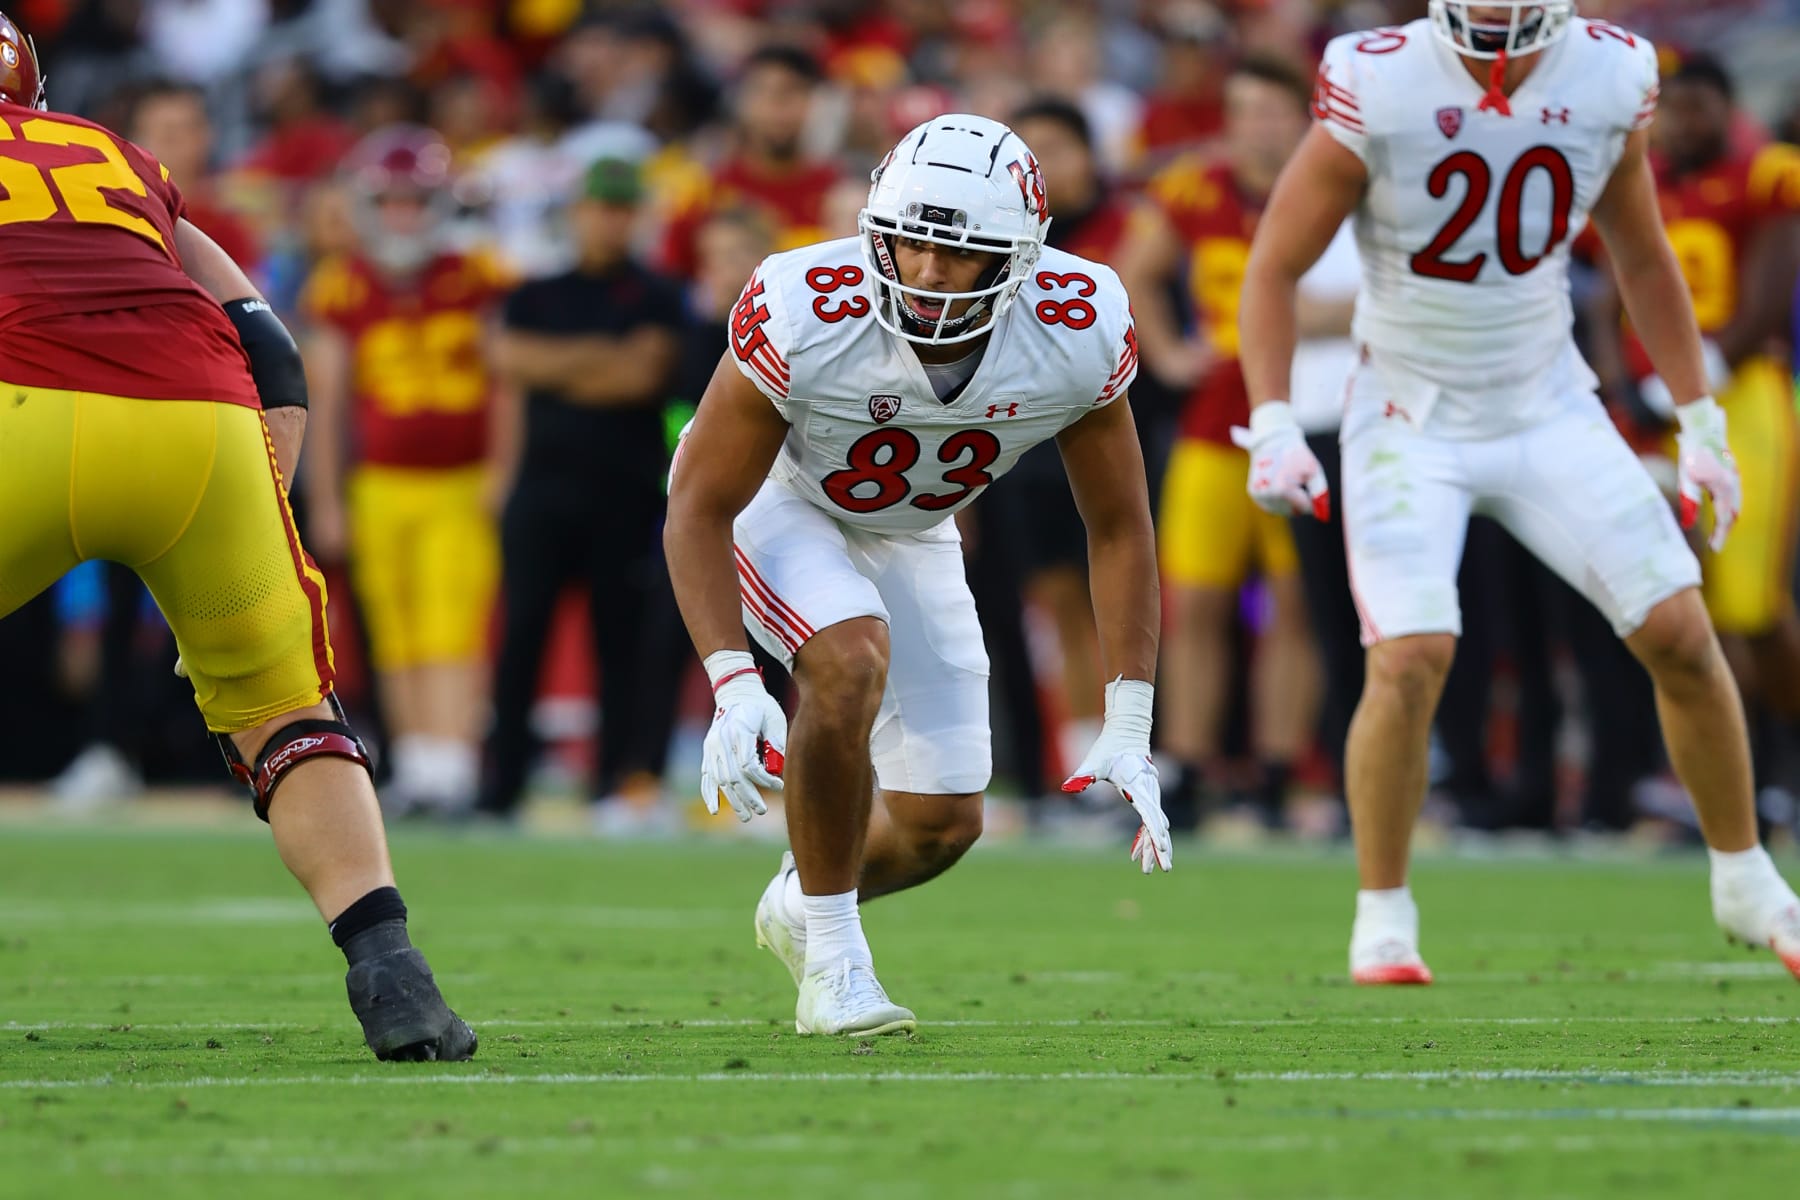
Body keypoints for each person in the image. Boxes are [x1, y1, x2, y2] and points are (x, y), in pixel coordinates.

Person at [1236, 2, 1800, 985]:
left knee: (1678, 628)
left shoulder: (1613, 72)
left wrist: (1701, 419)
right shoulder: (1379, 73)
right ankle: (1384, 910)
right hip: (1409, 411)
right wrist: (1275, 418)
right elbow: (1275, 262)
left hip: (1547, 404)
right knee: (1411, 654)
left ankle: (1745, 877)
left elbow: (1641, 251)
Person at [0, 14, 472, 1058]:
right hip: (202, 418)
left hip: (18, 408)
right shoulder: (106, 151)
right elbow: (268, 338)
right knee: (284, 707)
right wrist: (263, 494)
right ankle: (392, 972)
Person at [665, 114, 1170, 1036]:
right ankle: (835, 966)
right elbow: (699, 502)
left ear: (1019, 257)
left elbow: (1120, 522)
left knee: (943, 824)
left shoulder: (1079, 323)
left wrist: (1129, 717)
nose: (928, 273)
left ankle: (800, 899)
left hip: (914, 526)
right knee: (848, 658)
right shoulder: (805, 302)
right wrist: (732, 680)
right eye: (910, 242)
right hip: (779, 499)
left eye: (960, 254)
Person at [1117, 56, 1320, 832]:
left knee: (1294, 606)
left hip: (1302, 410)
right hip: (1212, 419)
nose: (1258, 127)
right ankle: (1188, 766)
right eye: (1244, 110)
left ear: (1300, 117)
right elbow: (1133, 272)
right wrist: (1166, 353)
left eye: (1272, 110)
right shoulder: (1194, 186)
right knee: (1193, 600)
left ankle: (1275, 771)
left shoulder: (1327, 180)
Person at [301, 125, 506, 815]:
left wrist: (502, 469)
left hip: (457, 480)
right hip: (380, 484)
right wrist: (325, 497)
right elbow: (327, 406)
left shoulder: (477, 277)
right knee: (394, 626)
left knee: (452, 621)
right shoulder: (341, 286)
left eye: (414, 201)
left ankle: (451, 764)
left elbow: (506, 383)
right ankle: (420, 764)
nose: (402, 216)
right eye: (389, 202)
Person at [1588, 55, 1800, 721]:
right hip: (1656, 411)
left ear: (1727, 111)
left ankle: (1786, 755)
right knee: (1682, 602)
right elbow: (1603, 302)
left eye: (1696, 107)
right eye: (1670, 109)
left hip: (1739, 400)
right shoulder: (1637, 184)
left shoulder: (1765, 175)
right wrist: (1622, 392)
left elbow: (1764, 306)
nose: (1682, 123)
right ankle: (1736, 770)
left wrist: (1676, 387)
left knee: (1750, 604)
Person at [477, 157, 685, 827]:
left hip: (623, 493)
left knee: (617, 644)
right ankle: (501, 788)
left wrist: (554, 365)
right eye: (599, 207)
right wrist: (602, 356)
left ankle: (609, 786)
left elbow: (641, 376)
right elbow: (509, 361)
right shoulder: (534, 293)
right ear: (577, 213)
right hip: (540, 489)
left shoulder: (658, 294)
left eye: (621, 209)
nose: (608, 220)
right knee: (520, 643)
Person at [657, 45, 840, 278]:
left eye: (791, 92)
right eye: (763, 92)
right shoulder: (703, 192)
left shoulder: (838, 193)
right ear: (742, 102)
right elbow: (671, 279)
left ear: (813, 103)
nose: (776, 106)